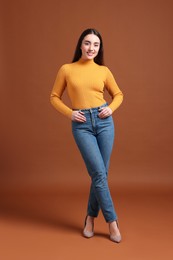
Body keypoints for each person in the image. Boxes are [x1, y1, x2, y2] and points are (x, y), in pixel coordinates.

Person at [50, 28, 123, 243]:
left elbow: (118, 94)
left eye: (96, 45)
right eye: (87, 43)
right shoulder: (66, 69)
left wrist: (111, 108)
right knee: (99, 173)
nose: (91, 48)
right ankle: (113, 222)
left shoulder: (103, 70)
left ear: (99, 48)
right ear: (80, 45)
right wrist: (70, 113)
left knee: (100, 174)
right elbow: (54, 97)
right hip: (82, 125)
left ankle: (90, 218)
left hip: (104, 123)